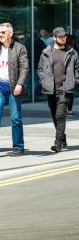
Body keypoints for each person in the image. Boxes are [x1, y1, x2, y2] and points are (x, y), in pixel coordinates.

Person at [38, 27, 79, 152]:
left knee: (60, 115)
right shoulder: (46, 52)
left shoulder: (72, 53)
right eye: (60, 36)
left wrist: (75, 81)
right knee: (54, 115)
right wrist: (43, 81)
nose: (63, 38)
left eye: (64, 36)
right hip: (50, 88)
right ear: (54, 38)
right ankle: (62, 137)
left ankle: (58, 143)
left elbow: (78, 69)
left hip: (65, 88)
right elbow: (40, 70)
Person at [0, 23, 29, 156]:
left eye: (3, 32)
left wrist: (20, 84)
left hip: (13, 88)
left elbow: (24, 68)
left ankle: (18, 147)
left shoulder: (19, 48)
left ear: (10, 34)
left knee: (16, 118)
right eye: (0, 33)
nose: (1, 35)